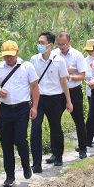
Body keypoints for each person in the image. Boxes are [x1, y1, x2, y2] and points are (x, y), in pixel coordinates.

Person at [0, 40, 39, 187]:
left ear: (17, 53)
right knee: (6, 143)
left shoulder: (27, 67)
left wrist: (35, 107)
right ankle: (9, 176)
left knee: (20, 139)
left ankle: (26, 164)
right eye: (6, 56)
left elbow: (35, 88)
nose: (9, 59)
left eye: (11, 56)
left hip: (22, 108)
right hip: (5, 109)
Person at [30, 31, 73, 172]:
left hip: (55, 98)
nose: (39, 45)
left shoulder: (59, 61)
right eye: (38, 42)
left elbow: (64, 82)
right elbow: (31, 82)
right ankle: (37, 163)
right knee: (35, 129)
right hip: (39, 99)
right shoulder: (34, 60)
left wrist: (68, 101)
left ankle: (58, 156)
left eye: (42, 43)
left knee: (55, 127)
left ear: (50, 45)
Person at [51, 31, 88, 159]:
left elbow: (82, 76)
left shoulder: (77, 55)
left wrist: (69, 77)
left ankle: (82, 148)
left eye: (64, 44)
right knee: (54, 122)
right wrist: (65, 71)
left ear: (70, 42)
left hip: (74, 91)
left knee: (78, 120)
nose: (62, 47)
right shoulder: (54, 55)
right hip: (58, 92)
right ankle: (55, 152)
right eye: (60, 44)